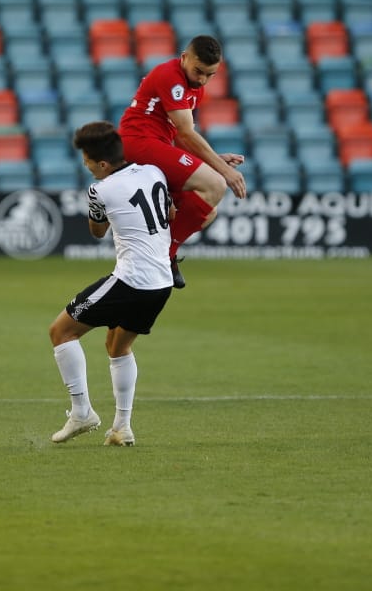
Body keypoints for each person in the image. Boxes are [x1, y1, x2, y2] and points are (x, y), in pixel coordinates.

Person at [48, 121, 176, 447]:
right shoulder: (154, 173)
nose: (86, 166)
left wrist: (99, 208)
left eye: (87, 161)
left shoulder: (99, 189)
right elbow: (171, 212)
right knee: (118, 347)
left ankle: (81, 412)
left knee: (61, 332)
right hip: (162, 282)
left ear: (102, 163)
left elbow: (97, 232)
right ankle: (122, 427)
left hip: (132, 279)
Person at [118, 34, 247, 289]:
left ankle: (157, 252)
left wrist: (213, 160)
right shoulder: (171, 76)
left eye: (210, 75)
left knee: (208, 212)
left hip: (158, 146)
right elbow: (186, 133)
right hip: (139, 142)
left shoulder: (193, 88)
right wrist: (224, 171)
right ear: (184, 57)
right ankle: (164, 254)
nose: (203, 79)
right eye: (199, 71)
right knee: (216, 185)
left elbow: (181, 139)